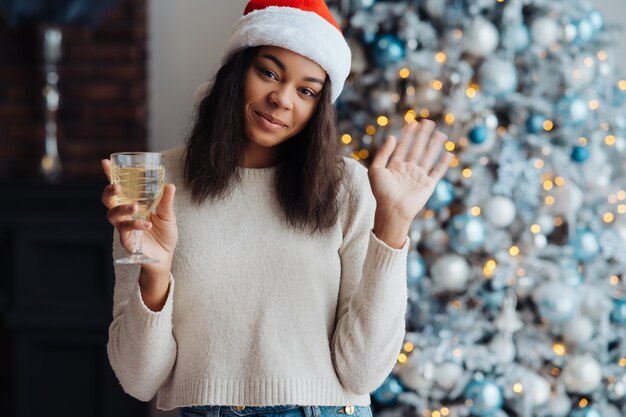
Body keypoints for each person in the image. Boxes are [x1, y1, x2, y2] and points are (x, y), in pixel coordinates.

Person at [100, 1, 453, 417]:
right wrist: (154, 274)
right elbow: (139, 380)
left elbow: (362, 374)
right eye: (268, 72)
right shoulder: (155, 180)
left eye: (306, 91)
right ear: (237, 70)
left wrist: (393, 226)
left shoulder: (348, 187)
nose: (282, 99)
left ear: (319, 107)